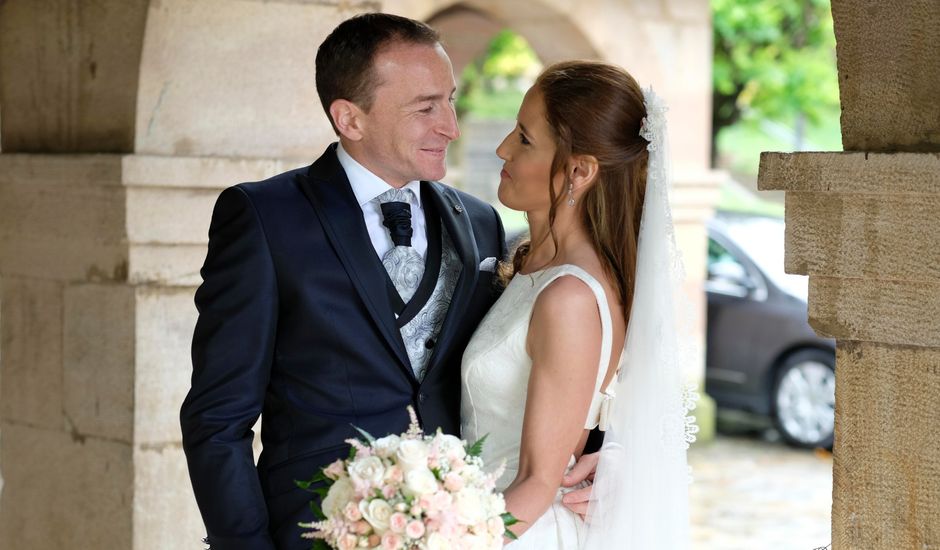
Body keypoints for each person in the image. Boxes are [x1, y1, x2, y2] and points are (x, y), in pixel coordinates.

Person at [179, 14, 509, 549]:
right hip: (314, 529)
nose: (450, 124)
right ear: (350, 119)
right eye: (426, 107)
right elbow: (218, 419)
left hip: (459, 529)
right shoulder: (266, 218)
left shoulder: (479, 222)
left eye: (450, 99)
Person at [461, 61, 695, 548]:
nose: (503, 147)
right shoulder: (534, 264)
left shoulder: (569, 298)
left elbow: (536, 483)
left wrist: (440, 539)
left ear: (580, 171)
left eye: (525, 139)